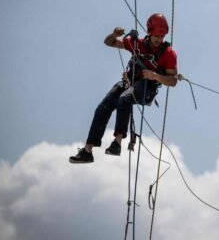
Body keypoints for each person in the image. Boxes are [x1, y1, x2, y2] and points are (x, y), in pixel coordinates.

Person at [70, 13, 178, 164]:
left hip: (147, 87)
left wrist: (156, 76)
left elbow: (173, 81)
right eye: (156, 37)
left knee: (125, 99)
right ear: (149, 32)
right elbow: (109, 42)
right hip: (129, 82)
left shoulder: (169, 54)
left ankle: (117, 143)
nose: (159, 41)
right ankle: (87, 151)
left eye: (161, 37)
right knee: (103, 107)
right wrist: (114, 34)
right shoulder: (137, 43)